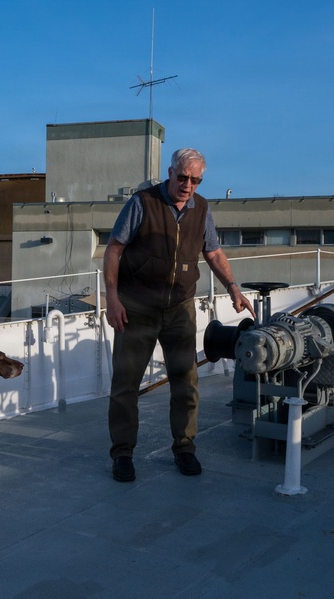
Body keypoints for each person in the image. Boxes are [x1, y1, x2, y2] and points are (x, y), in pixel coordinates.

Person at [104, 148, 254, 482]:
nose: (188, 185)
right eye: (183, 177)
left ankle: (184, 448)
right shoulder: (143, 203)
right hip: (136, 309)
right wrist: (112, 299)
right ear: (170, 172)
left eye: (195, 180)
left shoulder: (201, 209)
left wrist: (232, 287)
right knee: (125, 385)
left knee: (186, 382)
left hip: (179, 308)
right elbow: (114, 249)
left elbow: (213, 251)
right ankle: (123, 454)